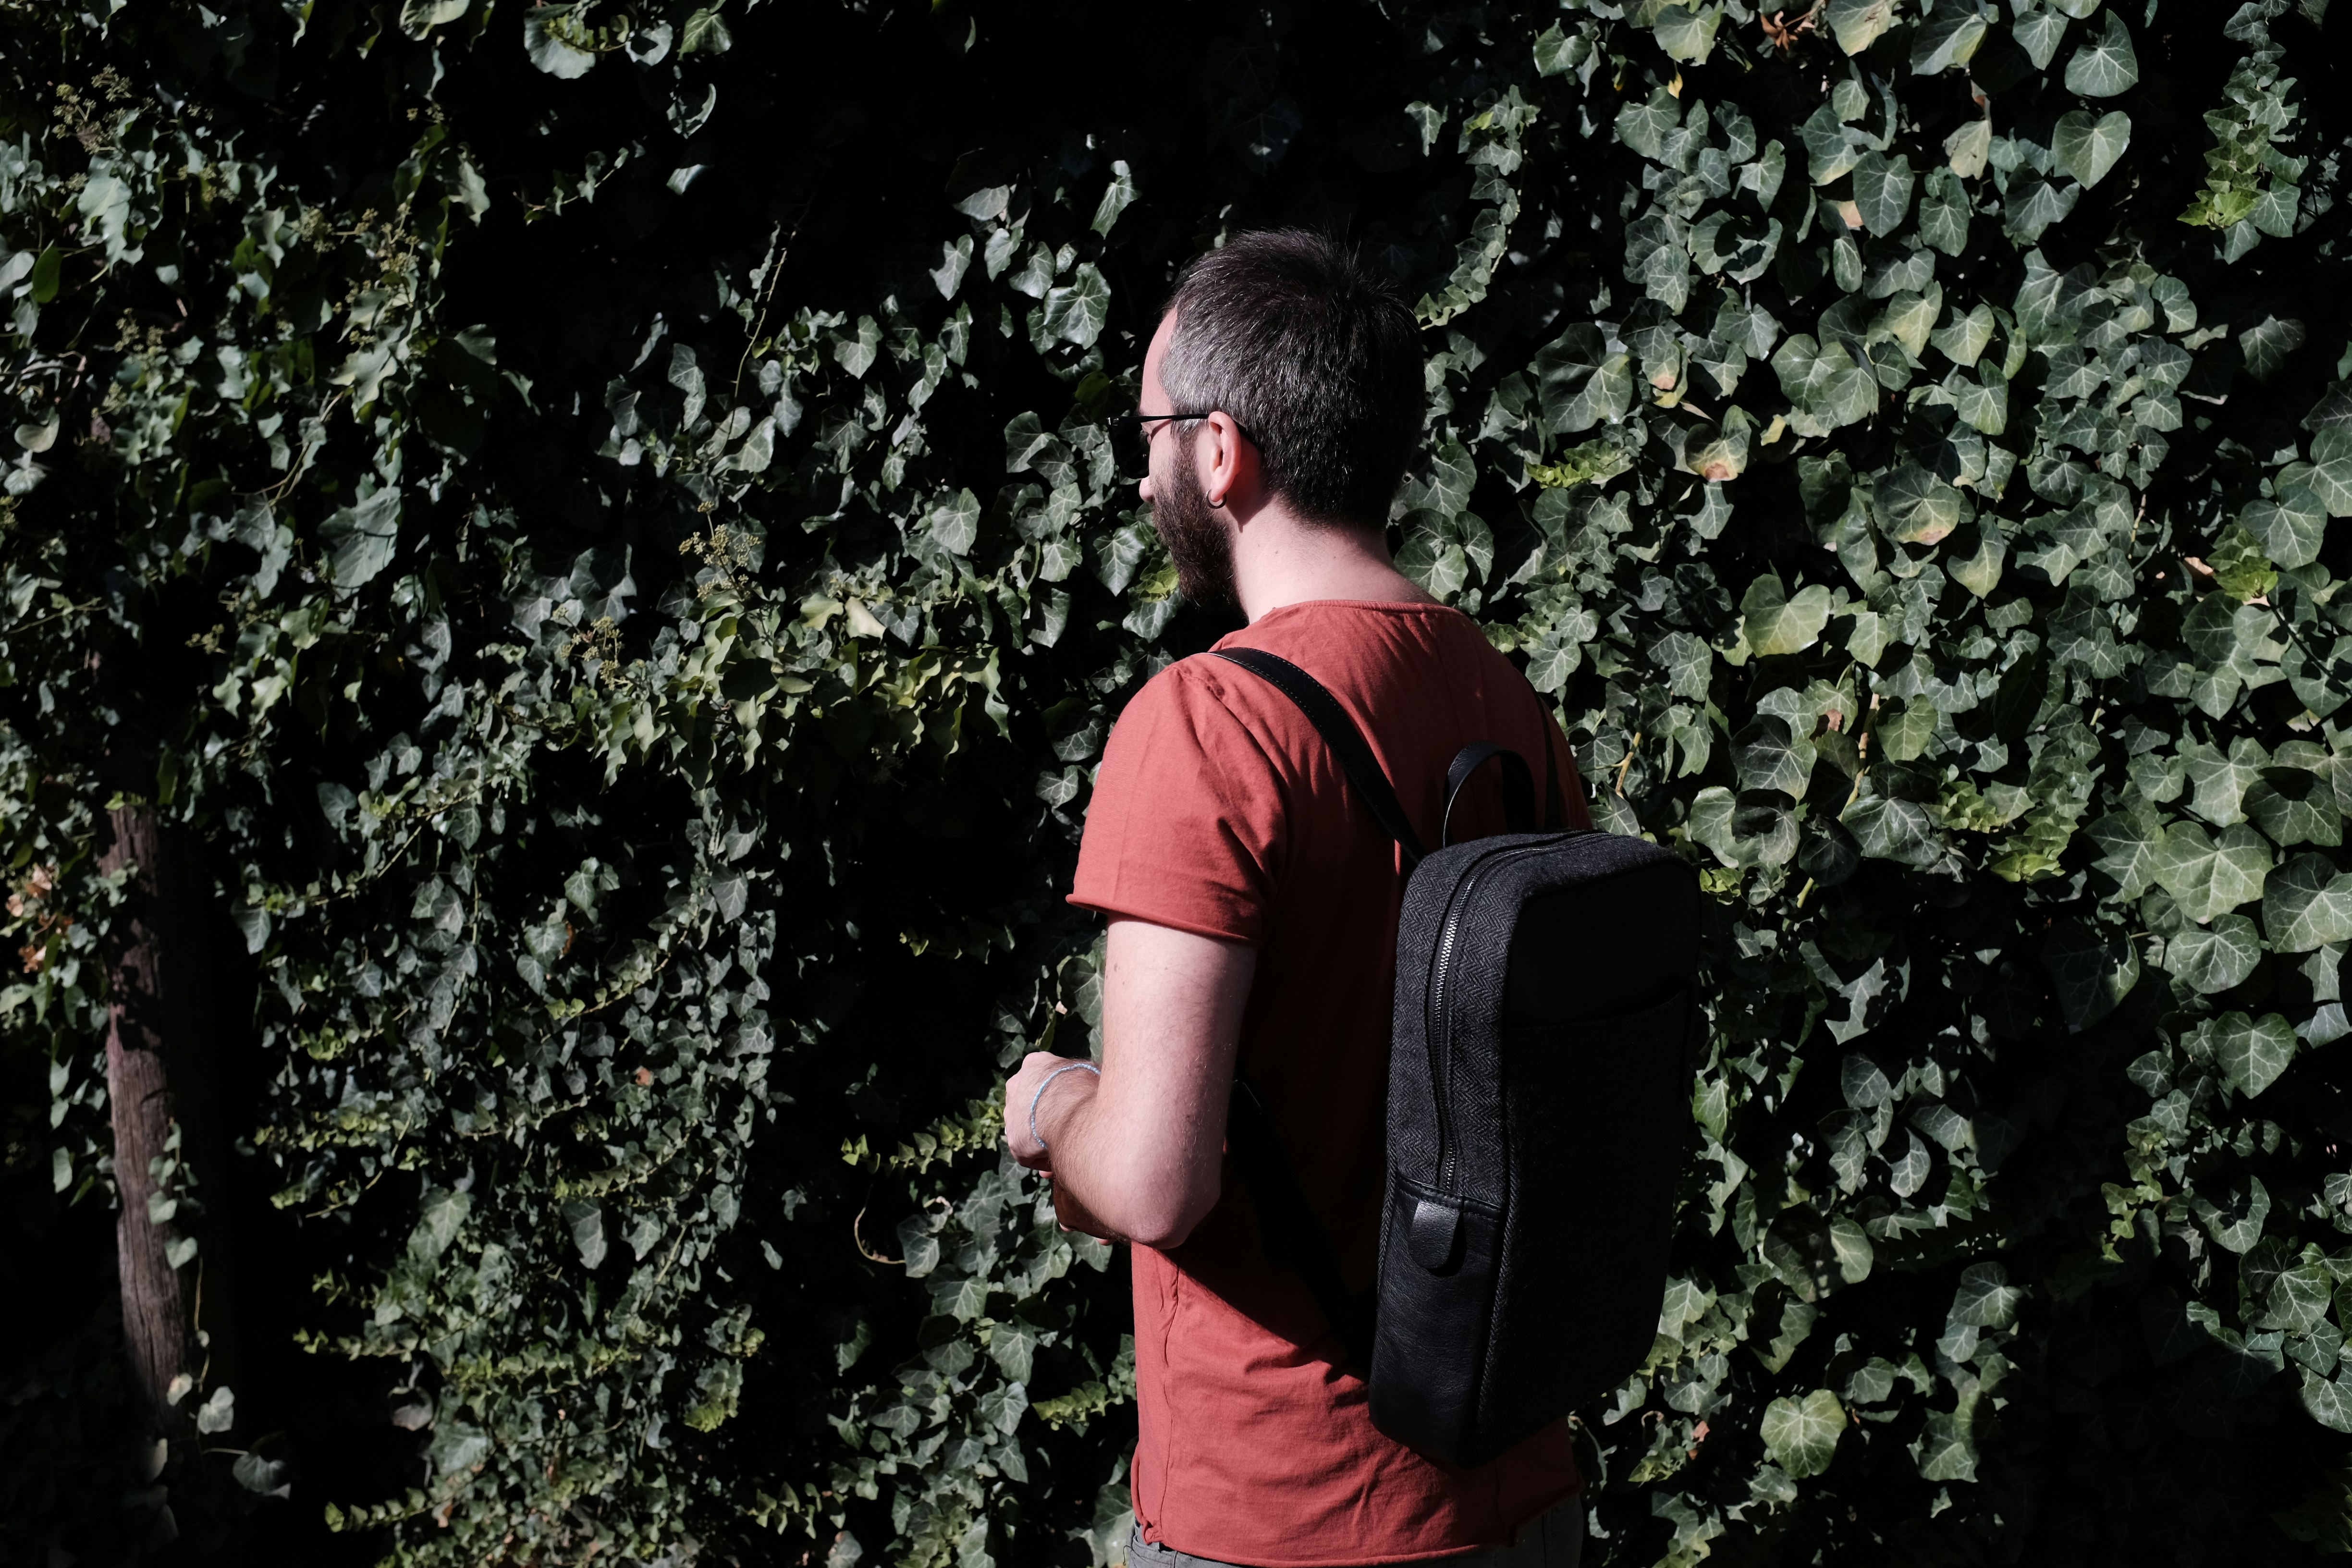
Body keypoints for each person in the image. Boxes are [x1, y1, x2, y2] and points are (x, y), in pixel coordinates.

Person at [1002, 230, 1592, 1568]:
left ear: (1221, 453)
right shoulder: (1504, 701)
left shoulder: (1210, 723)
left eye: (1149, 428)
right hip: (1517, 1482)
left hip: (1295, 1512)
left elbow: (1156, 1181)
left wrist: (1050, 1109)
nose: (1143, 467)